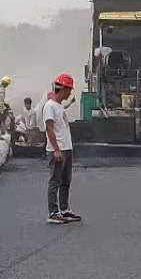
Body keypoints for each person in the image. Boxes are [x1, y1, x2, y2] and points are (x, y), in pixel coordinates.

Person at [44, 73, 80, 225]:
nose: (70, 92)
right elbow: (50, 129)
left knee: (66, 181)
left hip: (67, 148)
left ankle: (64, 209)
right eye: (69, 90)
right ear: (62, 89)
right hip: (57, 150)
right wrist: (57, 150)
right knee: (55, 181)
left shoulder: (58, 106)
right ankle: (53, 212)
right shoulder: (50, 106)